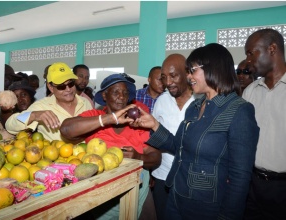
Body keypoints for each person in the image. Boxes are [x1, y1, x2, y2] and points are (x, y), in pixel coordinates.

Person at [119, 43, 259, 219]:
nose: (189, 76)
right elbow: (178, 146)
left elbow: (240, 176)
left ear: (213, 68)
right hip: (176, 196)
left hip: (207, 205)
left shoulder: (238, 110)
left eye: (192, 70)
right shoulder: (195, 106)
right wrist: (154, 124)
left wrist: (228, 216)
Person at [60, 73, 161, 220]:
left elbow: (156, 156)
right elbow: (66, 129)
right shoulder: (95, 117)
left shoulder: (135, 123)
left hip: (136, 189)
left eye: (125, 93)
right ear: (105, 96)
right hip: (102, 194)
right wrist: (110, 119)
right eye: (116, 92)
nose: (122, 96)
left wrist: (139, 157)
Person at [243, 28, 286, 220]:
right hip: (252, 185)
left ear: (272, 49)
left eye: (252, 53)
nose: (249, 60)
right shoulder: (250, 92)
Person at [151, 54, 196, 220]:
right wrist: (150, 172)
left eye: (173, 76)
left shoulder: (202, 101)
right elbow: (154, 137)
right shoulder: (161, 101)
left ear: (187, 73)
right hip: (162, 176)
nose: (168, 82)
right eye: (164, 77)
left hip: (191, 180)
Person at [5, 62, 93, 141]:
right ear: (50, 87)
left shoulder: (86, 103)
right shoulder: (42, 106)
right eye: (61, 86)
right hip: (56, 157)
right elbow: (10, 124)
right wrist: (34, 115)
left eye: (71, 84)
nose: (68, 89)